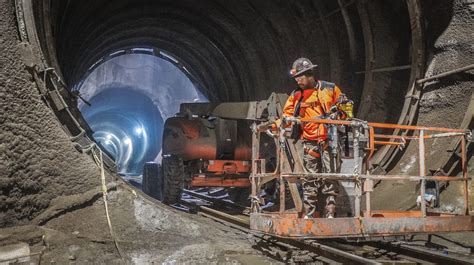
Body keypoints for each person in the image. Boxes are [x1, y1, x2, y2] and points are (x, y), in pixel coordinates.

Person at [273, 58, 351, 218]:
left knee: (331, 175)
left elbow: (347, 108)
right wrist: (273, 126)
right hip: (310, 143)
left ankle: (330, 210)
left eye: (300, 77)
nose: (298, 80)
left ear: (310, 74)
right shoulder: (296, 96)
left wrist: (338, 114)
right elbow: (286, 117)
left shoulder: (330, 89)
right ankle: (309, 212)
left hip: (330, 141)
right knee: (309, 178)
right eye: (296, 78)